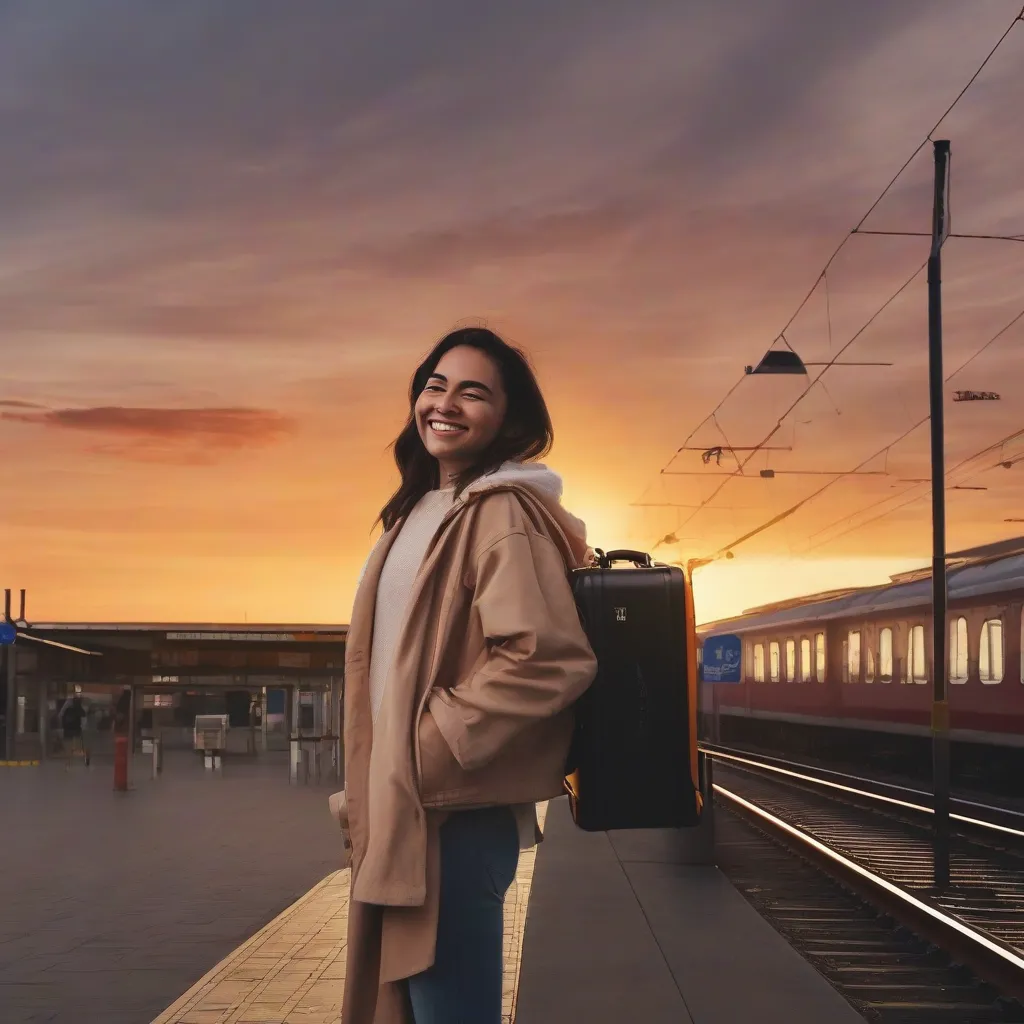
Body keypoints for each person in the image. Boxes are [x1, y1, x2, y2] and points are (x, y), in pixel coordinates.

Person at [335, 326, 597, 1024]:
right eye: (434, 385)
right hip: (410, 807)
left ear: (508, 420)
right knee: (414, 1006)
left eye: (472, 392)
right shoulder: (418, 511)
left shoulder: (502, 512)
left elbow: (546, 657)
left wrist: (427, 745)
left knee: (447, 1010)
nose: (445, 404)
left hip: (453, 816)